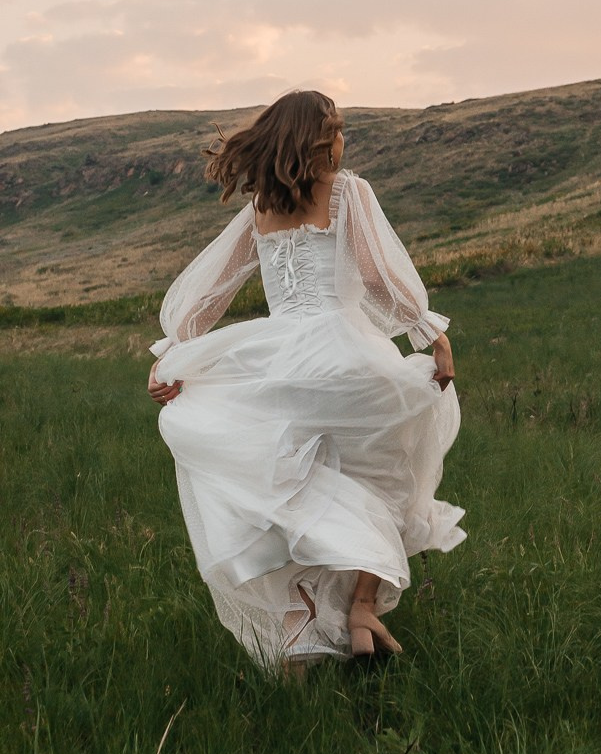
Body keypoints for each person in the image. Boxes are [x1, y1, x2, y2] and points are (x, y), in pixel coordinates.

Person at [146, 90, 465, 673]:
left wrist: (172, 356)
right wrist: (429, 334)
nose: (343, 141)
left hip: (278, 363)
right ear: (314, 138)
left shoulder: (260, 209)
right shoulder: (348, 193)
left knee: (294, 492)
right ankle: (362, 608)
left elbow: (204, 303)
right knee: (388, 471)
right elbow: (377, 277)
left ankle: (301, 614)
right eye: (336, 130)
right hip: (342, 356)